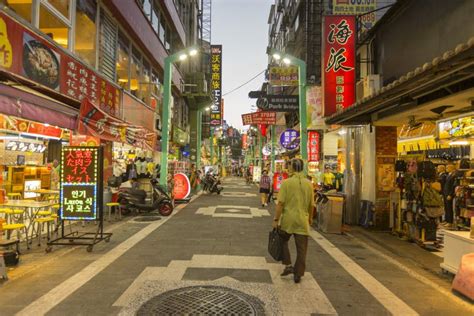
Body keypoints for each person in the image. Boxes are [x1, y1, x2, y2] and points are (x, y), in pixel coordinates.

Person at [272, 158, 314, 283]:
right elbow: (312, 205)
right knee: (302, 249)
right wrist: (310, 218)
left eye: (289, 166)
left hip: (288, 220)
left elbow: (280, 203)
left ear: (293, 168)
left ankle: (288, 264)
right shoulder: (309, 184)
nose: (288, 168)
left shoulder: (286, 183)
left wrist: (276, 219)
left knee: (282, 240)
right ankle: (298, 274)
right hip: (302, 220)